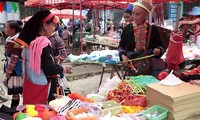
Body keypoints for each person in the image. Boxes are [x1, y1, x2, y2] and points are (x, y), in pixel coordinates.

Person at [16, 9, 72, 104]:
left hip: (30, 85)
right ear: (45, 25)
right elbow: (48, 68)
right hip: (44, 88)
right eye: (53, 25)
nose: (54, 28)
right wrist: (64, 68)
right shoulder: (43, 43)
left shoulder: (29, 43)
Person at [118, 1, 165, 77]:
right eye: (133, 13)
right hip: (132, 66)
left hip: (149, 68)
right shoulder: (127, 29)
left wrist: (158, 50)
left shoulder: (152, 29)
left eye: (138, 14)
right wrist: (123, 56)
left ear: (145, 15)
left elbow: (161, 46)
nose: (134, 17)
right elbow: (121, 47)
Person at [3, 20, 23, 108]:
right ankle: (13, 110)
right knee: (15, 91)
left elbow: (14, 58)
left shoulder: (15, 41)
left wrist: (9, 71)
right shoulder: (10, 39)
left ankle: (13, 110)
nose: (5, 29)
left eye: (7, 27)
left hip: (16, 69)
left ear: (13, 30)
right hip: (14, 68)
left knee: (16, 91)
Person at [48, 23, 69, 102]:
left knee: (57, 96)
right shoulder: (44, 38)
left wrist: (51, 61)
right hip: (47, 72)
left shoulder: (57, 39)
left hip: (56, 71)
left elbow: (63, 55)